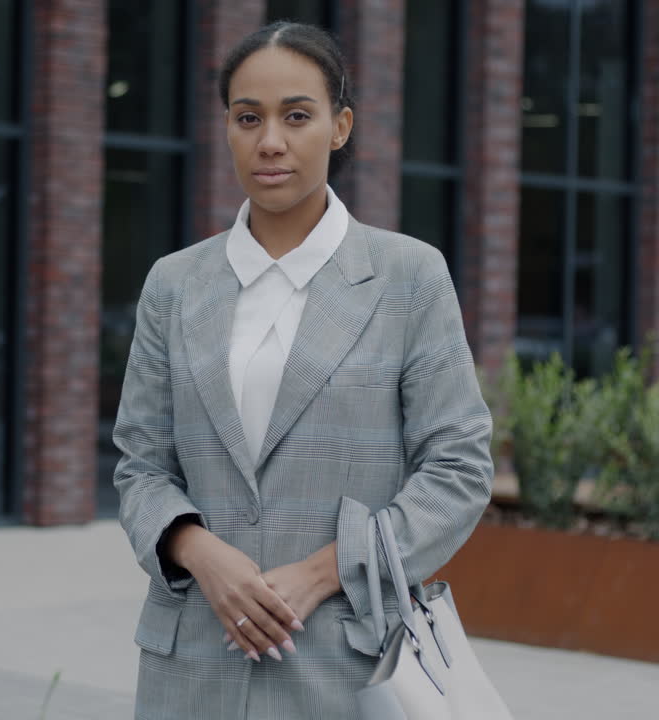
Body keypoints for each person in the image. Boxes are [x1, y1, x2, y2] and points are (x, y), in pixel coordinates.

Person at [113, 21, 494, 720]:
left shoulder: (408, 278)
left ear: (340, 125)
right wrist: (198, 551)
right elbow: (140, 462)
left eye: (296, 116)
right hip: (193, 660)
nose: (270, 142)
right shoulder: (174, 284)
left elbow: (459, 467)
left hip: (346, 664)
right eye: (247, 117)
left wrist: (324, 573)